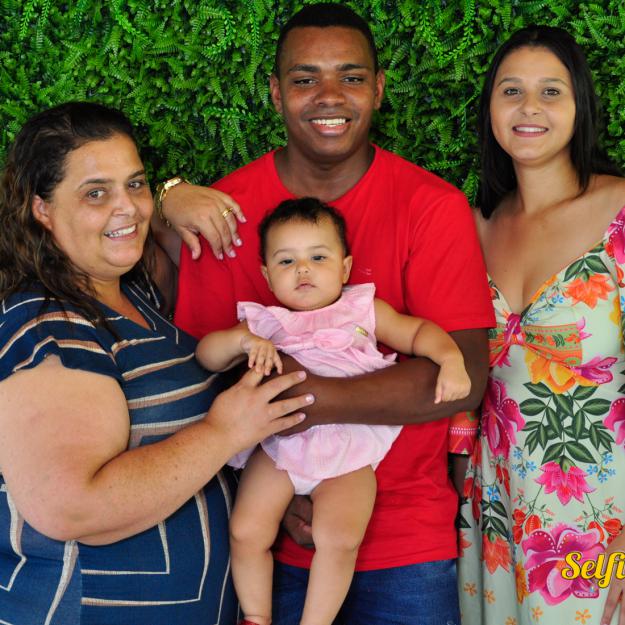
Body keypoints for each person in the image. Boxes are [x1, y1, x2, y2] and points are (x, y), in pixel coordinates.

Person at [158, 4, 495, 624]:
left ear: (379, 88)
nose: (330, 96)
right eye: (305, 78)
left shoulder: (431, 206)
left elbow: (464, 375)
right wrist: (280, 486)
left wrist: (307, 399)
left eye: (352, 77)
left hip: (407, 542)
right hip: (274, 540)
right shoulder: (227, 213)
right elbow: (202, 372)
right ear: (276, 92)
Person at [0, 101, 313, 625]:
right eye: (96, 193)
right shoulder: (47, 326)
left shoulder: (134, 290)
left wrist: (170, 195)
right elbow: (71, 507)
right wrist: (224, 433)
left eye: (136, 184)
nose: (127, 207)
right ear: (42, 209)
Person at [196, 197, 472, 625]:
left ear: (345, 268)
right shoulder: (264, 323)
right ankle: (255, 615)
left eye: (318, 257)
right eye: (286, 261)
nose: (303, 270)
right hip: (280, 448)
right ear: (267, 275)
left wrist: (450, 359)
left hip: (349, 447)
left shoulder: (362, 310)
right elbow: (207, 354)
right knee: (246, 530)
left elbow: (417, 331)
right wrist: (241, 342)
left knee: (340, 538)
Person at [458, 25, 625, 625]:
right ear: (490, 110)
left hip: (601, 522)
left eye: (551, 91)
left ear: (581, 107)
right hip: (496, 514)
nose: (529, 107)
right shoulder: (472, 228)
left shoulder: (619, 212)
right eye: (511, 91)